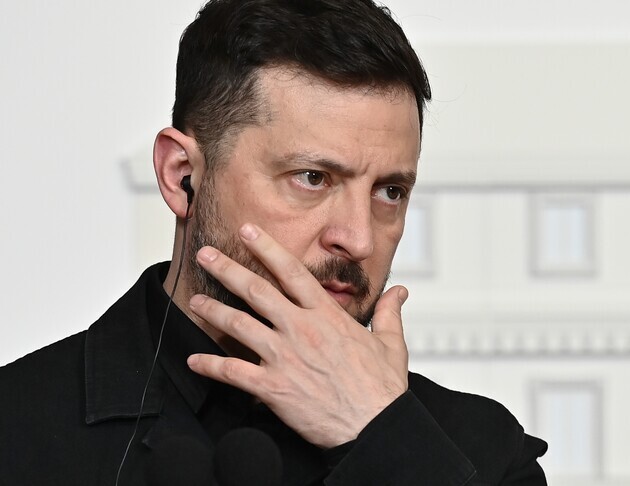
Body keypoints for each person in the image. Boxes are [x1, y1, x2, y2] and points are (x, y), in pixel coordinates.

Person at [0, 0, 547, 484]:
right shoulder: (18, 429)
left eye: (390, 191)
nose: (358, 239)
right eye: (312, 178)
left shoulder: (484, 454)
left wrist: (384, 438)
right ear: (182, 176)